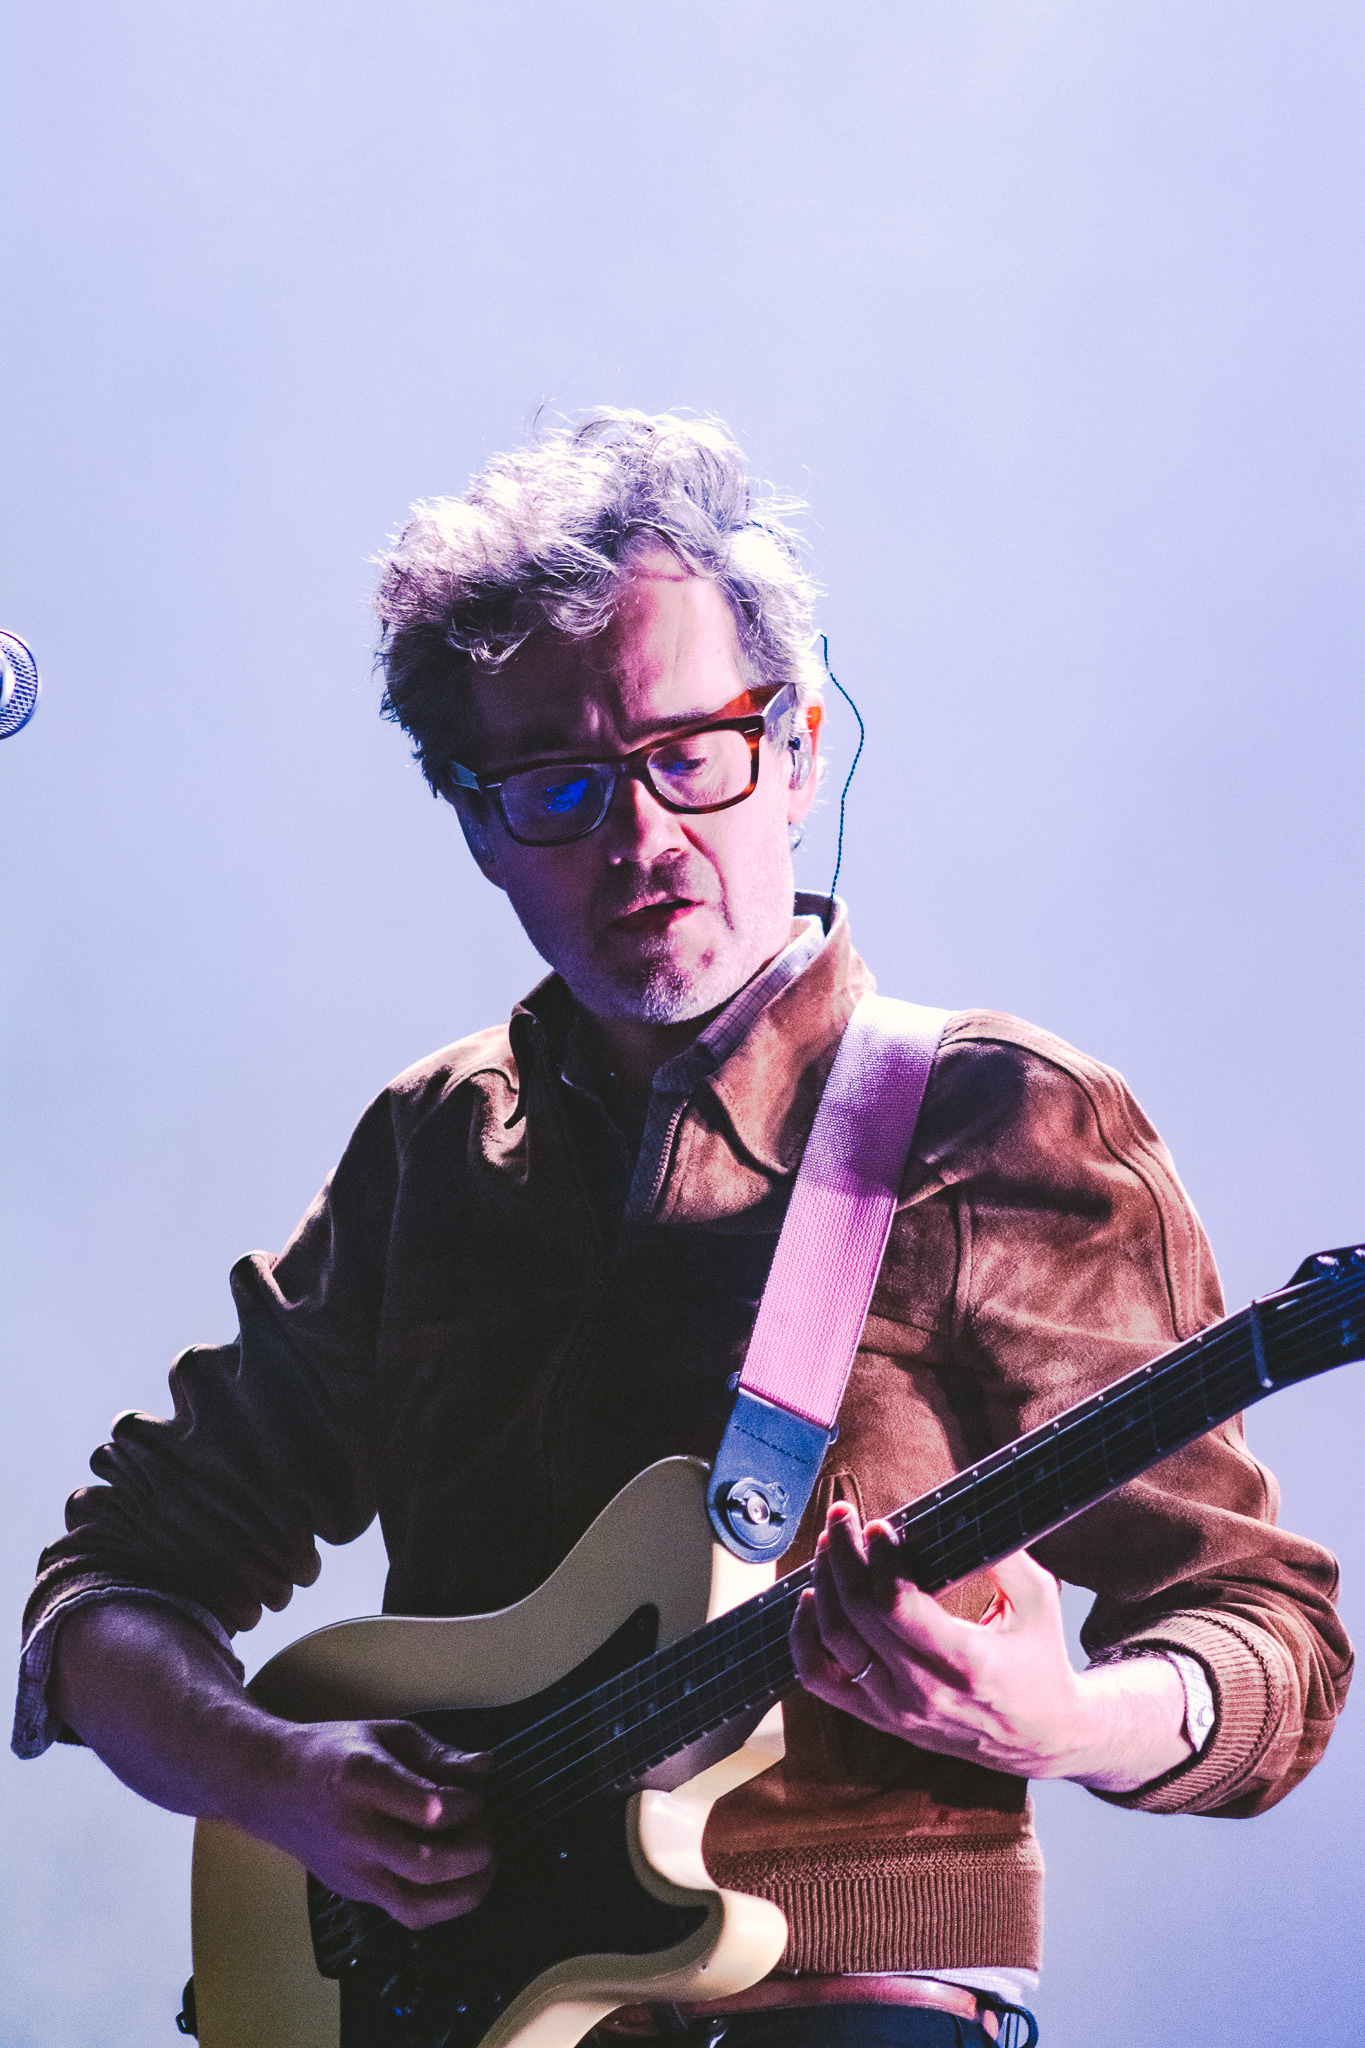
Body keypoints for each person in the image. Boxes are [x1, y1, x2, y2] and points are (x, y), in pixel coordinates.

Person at [15, 410, 1351, 2046]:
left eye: (690, 752)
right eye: (558, 786)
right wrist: (274, 1776)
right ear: (474, 825)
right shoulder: (429, 1149)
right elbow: (107, 1593)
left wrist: (1064, 1717)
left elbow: (1265, 1638)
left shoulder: (997, 1119)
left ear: (795, 750)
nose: (641, 836)